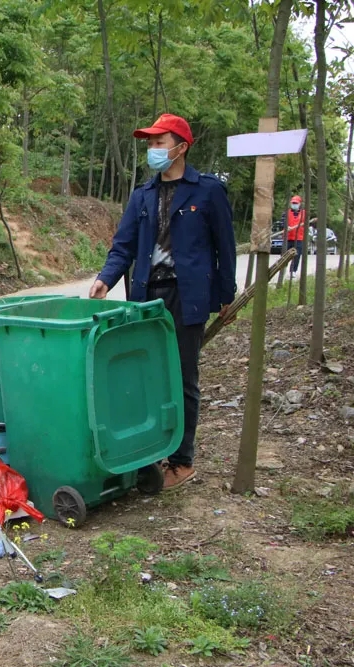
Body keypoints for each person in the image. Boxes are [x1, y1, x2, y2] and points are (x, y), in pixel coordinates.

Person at [89, 113, 236, 490]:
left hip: (187, 296)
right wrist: (106, 278)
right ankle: (150, 451)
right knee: (146, 375)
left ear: (181, 147)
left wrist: (224, 297)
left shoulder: (207, 190)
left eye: (160, 142)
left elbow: (225, 248)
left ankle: (182, 461)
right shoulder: (143, 194)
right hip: (144, 296)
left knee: (183, 376)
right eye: (150, 143)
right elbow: (123, 246)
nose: (153, 149)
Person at [284, 195, 305, 276]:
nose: (294, 204)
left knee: (296, 255)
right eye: (293, 203)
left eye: (296, 203)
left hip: (299, 238)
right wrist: (286, 227)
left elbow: (306, 224)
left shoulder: (304, 213)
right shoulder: (287, 213)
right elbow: (282, 223)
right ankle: (282, 269)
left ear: (299, 204)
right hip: (288, 237)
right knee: (285, 255)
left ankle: (293, 271)